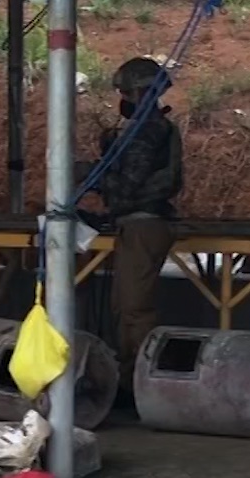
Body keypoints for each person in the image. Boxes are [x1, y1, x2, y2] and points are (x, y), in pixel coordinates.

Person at [94, 57, 184, 375]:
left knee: (134, 309)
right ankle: (131, 373)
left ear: (139, 93)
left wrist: (93, 172)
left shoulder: (148, 130)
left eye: (126, 93)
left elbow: (130, 184)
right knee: (124, 307)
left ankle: (143, 378)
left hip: (144, 224)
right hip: (137, 224)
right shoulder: (147, 129)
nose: (124, 100)